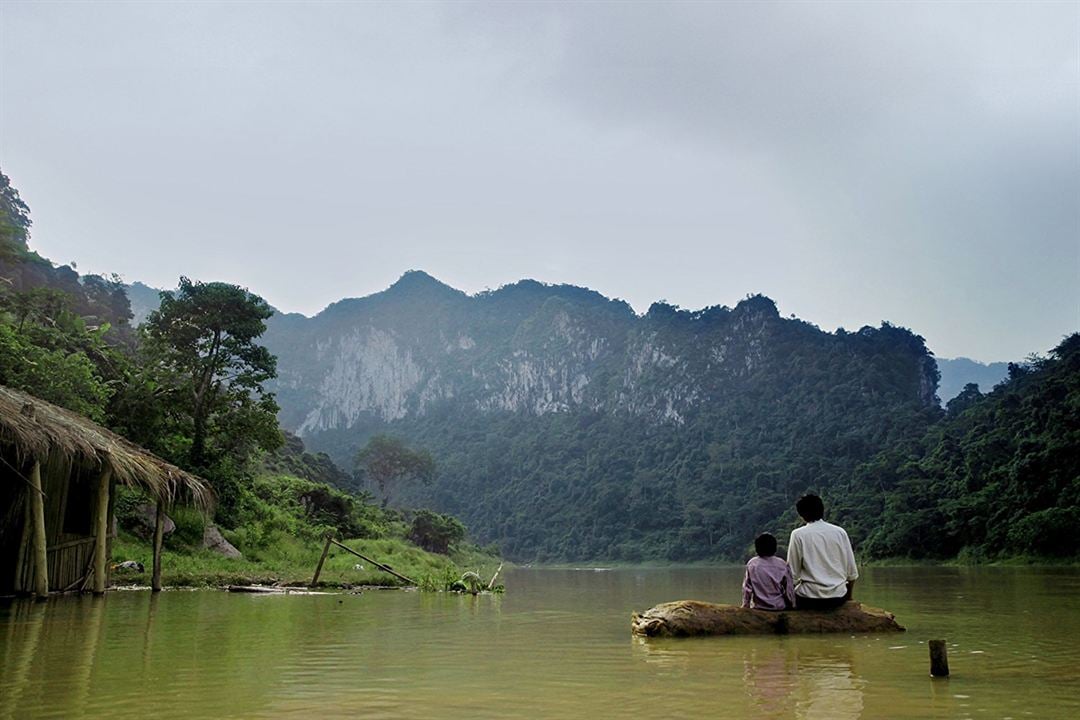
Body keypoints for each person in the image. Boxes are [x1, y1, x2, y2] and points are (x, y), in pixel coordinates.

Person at [787, 494, 858, 610]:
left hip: (809, 598)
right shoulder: (840, 532)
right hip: (838, 598)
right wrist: (849, 597)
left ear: (802, 515)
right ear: (822, 511)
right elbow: (852, 573)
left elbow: (792, 575)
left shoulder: (798, 534)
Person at [741, 532, 796, 610]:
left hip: (759, 607)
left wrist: (745, 606)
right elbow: (789, 589)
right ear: (774, 548)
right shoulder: (782, 564)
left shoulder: (752, 564)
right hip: (779, 606)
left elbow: (747, 589)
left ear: (757, 548)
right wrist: (792, 605)